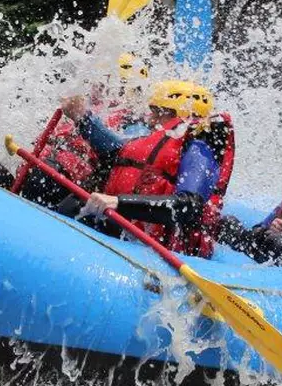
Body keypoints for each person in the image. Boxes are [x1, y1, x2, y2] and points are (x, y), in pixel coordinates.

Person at [61, 79, 235, 258]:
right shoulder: (164, 139)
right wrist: (82, 117)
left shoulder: (200, 147)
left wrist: (119, 203)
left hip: (163, 251)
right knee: (71, 204)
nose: (150, 119)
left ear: (176, 113)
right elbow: (119, 154)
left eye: (156, 112)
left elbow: (189, 205)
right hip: (128, 234)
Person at [18, 53, 152, 207]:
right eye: (97, 82)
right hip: (40, 166)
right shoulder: (91, 105)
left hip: (73, 186)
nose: (95, 87)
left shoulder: (136, 122)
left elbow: (123, 150)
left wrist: (82, 118)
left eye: (103, 83)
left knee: (42, 176)